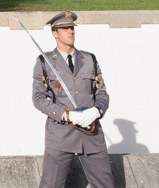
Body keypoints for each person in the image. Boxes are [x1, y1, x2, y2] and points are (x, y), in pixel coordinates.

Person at [32, 11, 113, 188]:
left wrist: (97, 110)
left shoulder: (89, 59)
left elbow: (102, 93)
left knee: (105, 185)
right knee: (51, 185)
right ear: (55, 33)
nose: (71, 31)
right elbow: (38, 98)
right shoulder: (44, 62)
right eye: (65, 28)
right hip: (60, 135)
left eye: (72, 28)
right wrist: (66, 115)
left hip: (91, 134)